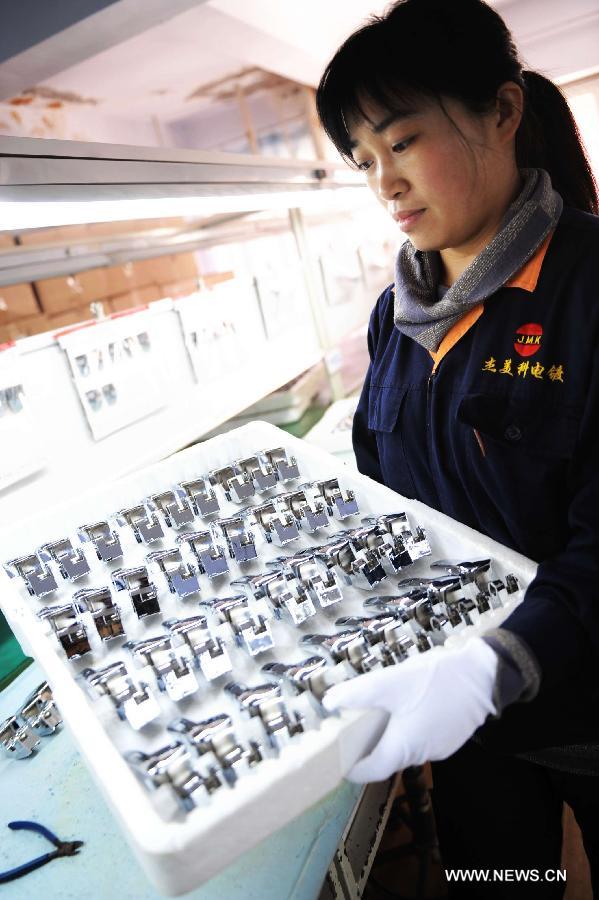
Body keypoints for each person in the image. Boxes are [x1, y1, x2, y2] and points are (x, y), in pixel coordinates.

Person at [315, 0, 599, 895]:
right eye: (363, 161)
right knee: (496, 882)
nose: (383, 184)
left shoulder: (586, 291)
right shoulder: (394, 321)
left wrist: (497, 662)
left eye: (401, 142)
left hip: (582, 705)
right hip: (468, 723)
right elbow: (381, 486)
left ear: (503, 113)